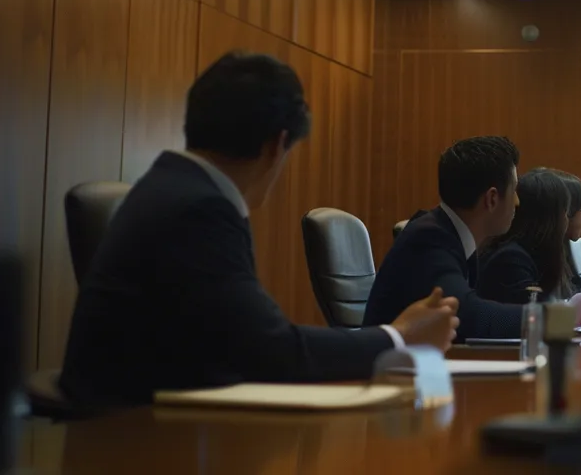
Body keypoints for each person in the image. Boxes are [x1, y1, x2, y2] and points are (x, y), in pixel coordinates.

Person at [59, 52, 458, 407]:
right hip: (127, 436)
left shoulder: (174, 188)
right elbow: (267, 349)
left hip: (158, 418)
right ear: (277, 144)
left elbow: (241, 340)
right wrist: (400, 335)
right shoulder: (198, 208)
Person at [367, 137, 581, 337]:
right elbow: (466, 314)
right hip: (383, 378)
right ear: (491, 199)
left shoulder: (447, 234)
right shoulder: (430, 238)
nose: (518, 203)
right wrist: (558, 317)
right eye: (514, 191)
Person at [475, 169, 581, 311]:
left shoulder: (537, 254)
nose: (567, 220)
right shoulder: (511, 259)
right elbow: (536, 316)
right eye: (565, 212)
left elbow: (571, 293)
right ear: (550, 220)